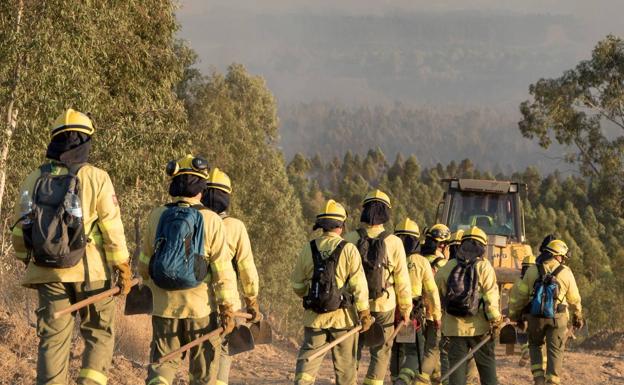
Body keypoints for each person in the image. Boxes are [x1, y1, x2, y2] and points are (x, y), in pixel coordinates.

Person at [11, 109, 131, 385]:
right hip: (93, 275)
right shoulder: (98, 177)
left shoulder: (33, 178)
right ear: (85, 142)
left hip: (48, 273)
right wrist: (122, 266)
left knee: (52, 340)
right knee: (99, 333)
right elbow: (112, 229)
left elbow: (20, 230)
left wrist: (28, 260)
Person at [139, 155, 238, 385]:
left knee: (162, 366)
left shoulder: (157, 215)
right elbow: (223, 271)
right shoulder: (212, 220)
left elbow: (144, 262)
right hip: (200, 309)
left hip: (164, 307)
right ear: (201, 188)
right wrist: (227, 308)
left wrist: (146, 286)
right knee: (202, 372)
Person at [291, 199, 373, 385]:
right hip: (343, 320)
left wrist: (311, 296)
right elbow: (359, 285)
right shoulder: (349, 249)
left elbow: (296, 284)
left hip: (315, 318)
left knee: (307, 365)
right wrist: (364, 313)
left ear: (321, 225)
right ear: (341, 226)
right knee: (345, 370)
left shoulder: (308, 248)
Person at [344, 189, 412, 385]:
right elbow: (402, 280)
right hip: (385, 305)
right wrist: (406, 309)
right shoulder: (394, 242)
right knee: (381, 350)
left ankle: (349, 380)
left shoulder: (350, 239)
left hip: (355, 305)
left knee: (353, 347)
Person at [201, 168, 261, 385]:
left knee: (199, 355)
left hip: (196, 301)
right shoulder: (235, 227)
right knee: (223, 351)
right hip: (228, 303)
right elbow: (247, 269)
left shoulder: (195, 219)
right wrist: (252, 301)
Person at [509, 239, 583, 385]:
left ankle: (538, 378)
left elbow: (521, 296)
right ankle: (552, 381)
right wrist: (577, 316)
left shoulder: (532, 270)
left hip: (535, 317)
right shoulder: (566, 272)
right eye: (562, 257)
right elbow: (574, 298)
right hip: (558, 318)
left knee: (535, 345)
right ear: (557, 255)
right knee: (555, 350)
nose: (562, 260)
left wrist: (515, 315)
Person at [435, 226, 502, 385]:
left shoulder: (448, 266)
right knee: (487, 369)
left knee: (456, 372)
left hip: (454, 328)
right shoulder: (484, 266)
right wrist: (495, 321)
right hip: (480, 329)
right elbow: (491, 298)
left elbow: (435, 293)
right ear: (483, 247)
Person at [391, 218, 442, 385]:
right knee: (416, 349)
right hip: (413, 312)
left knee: (397, 348)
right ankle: (403, 380)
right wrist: (436, 315)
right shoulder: (421, 262)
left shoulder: (389, 257)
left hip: (392, 309)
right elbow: (431, 291)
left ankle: (395, 378)